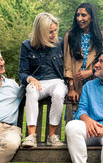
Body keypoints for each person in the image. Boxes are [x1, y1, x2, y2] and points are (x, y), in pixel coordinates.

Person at [63, 3, 103, 163]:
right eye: (77, 15)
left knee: (98, 118)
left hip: (97, 83)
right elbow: (68, 63)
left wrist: (90, 72)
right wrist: (71, 87)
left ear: (91, 17)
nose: (80, 19)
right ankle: (75, 162)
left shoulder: (101, 36)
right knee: (75, 121)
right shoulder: (70, 35)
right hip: (77, 84)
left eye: (84, 15)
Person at [18, 12, 67, 147]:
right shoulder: (27, 45)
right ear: (40, 32)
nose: (54, 34)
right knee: (32, 90)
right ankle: (31, 135)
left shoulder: (61, 43)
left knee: (58, 94)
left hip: (57, 81)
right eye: (50, 32)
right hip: (38, 82)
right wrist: (30, 78)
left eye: (56, 30)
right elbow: (22, 72)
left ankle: (52, 136)